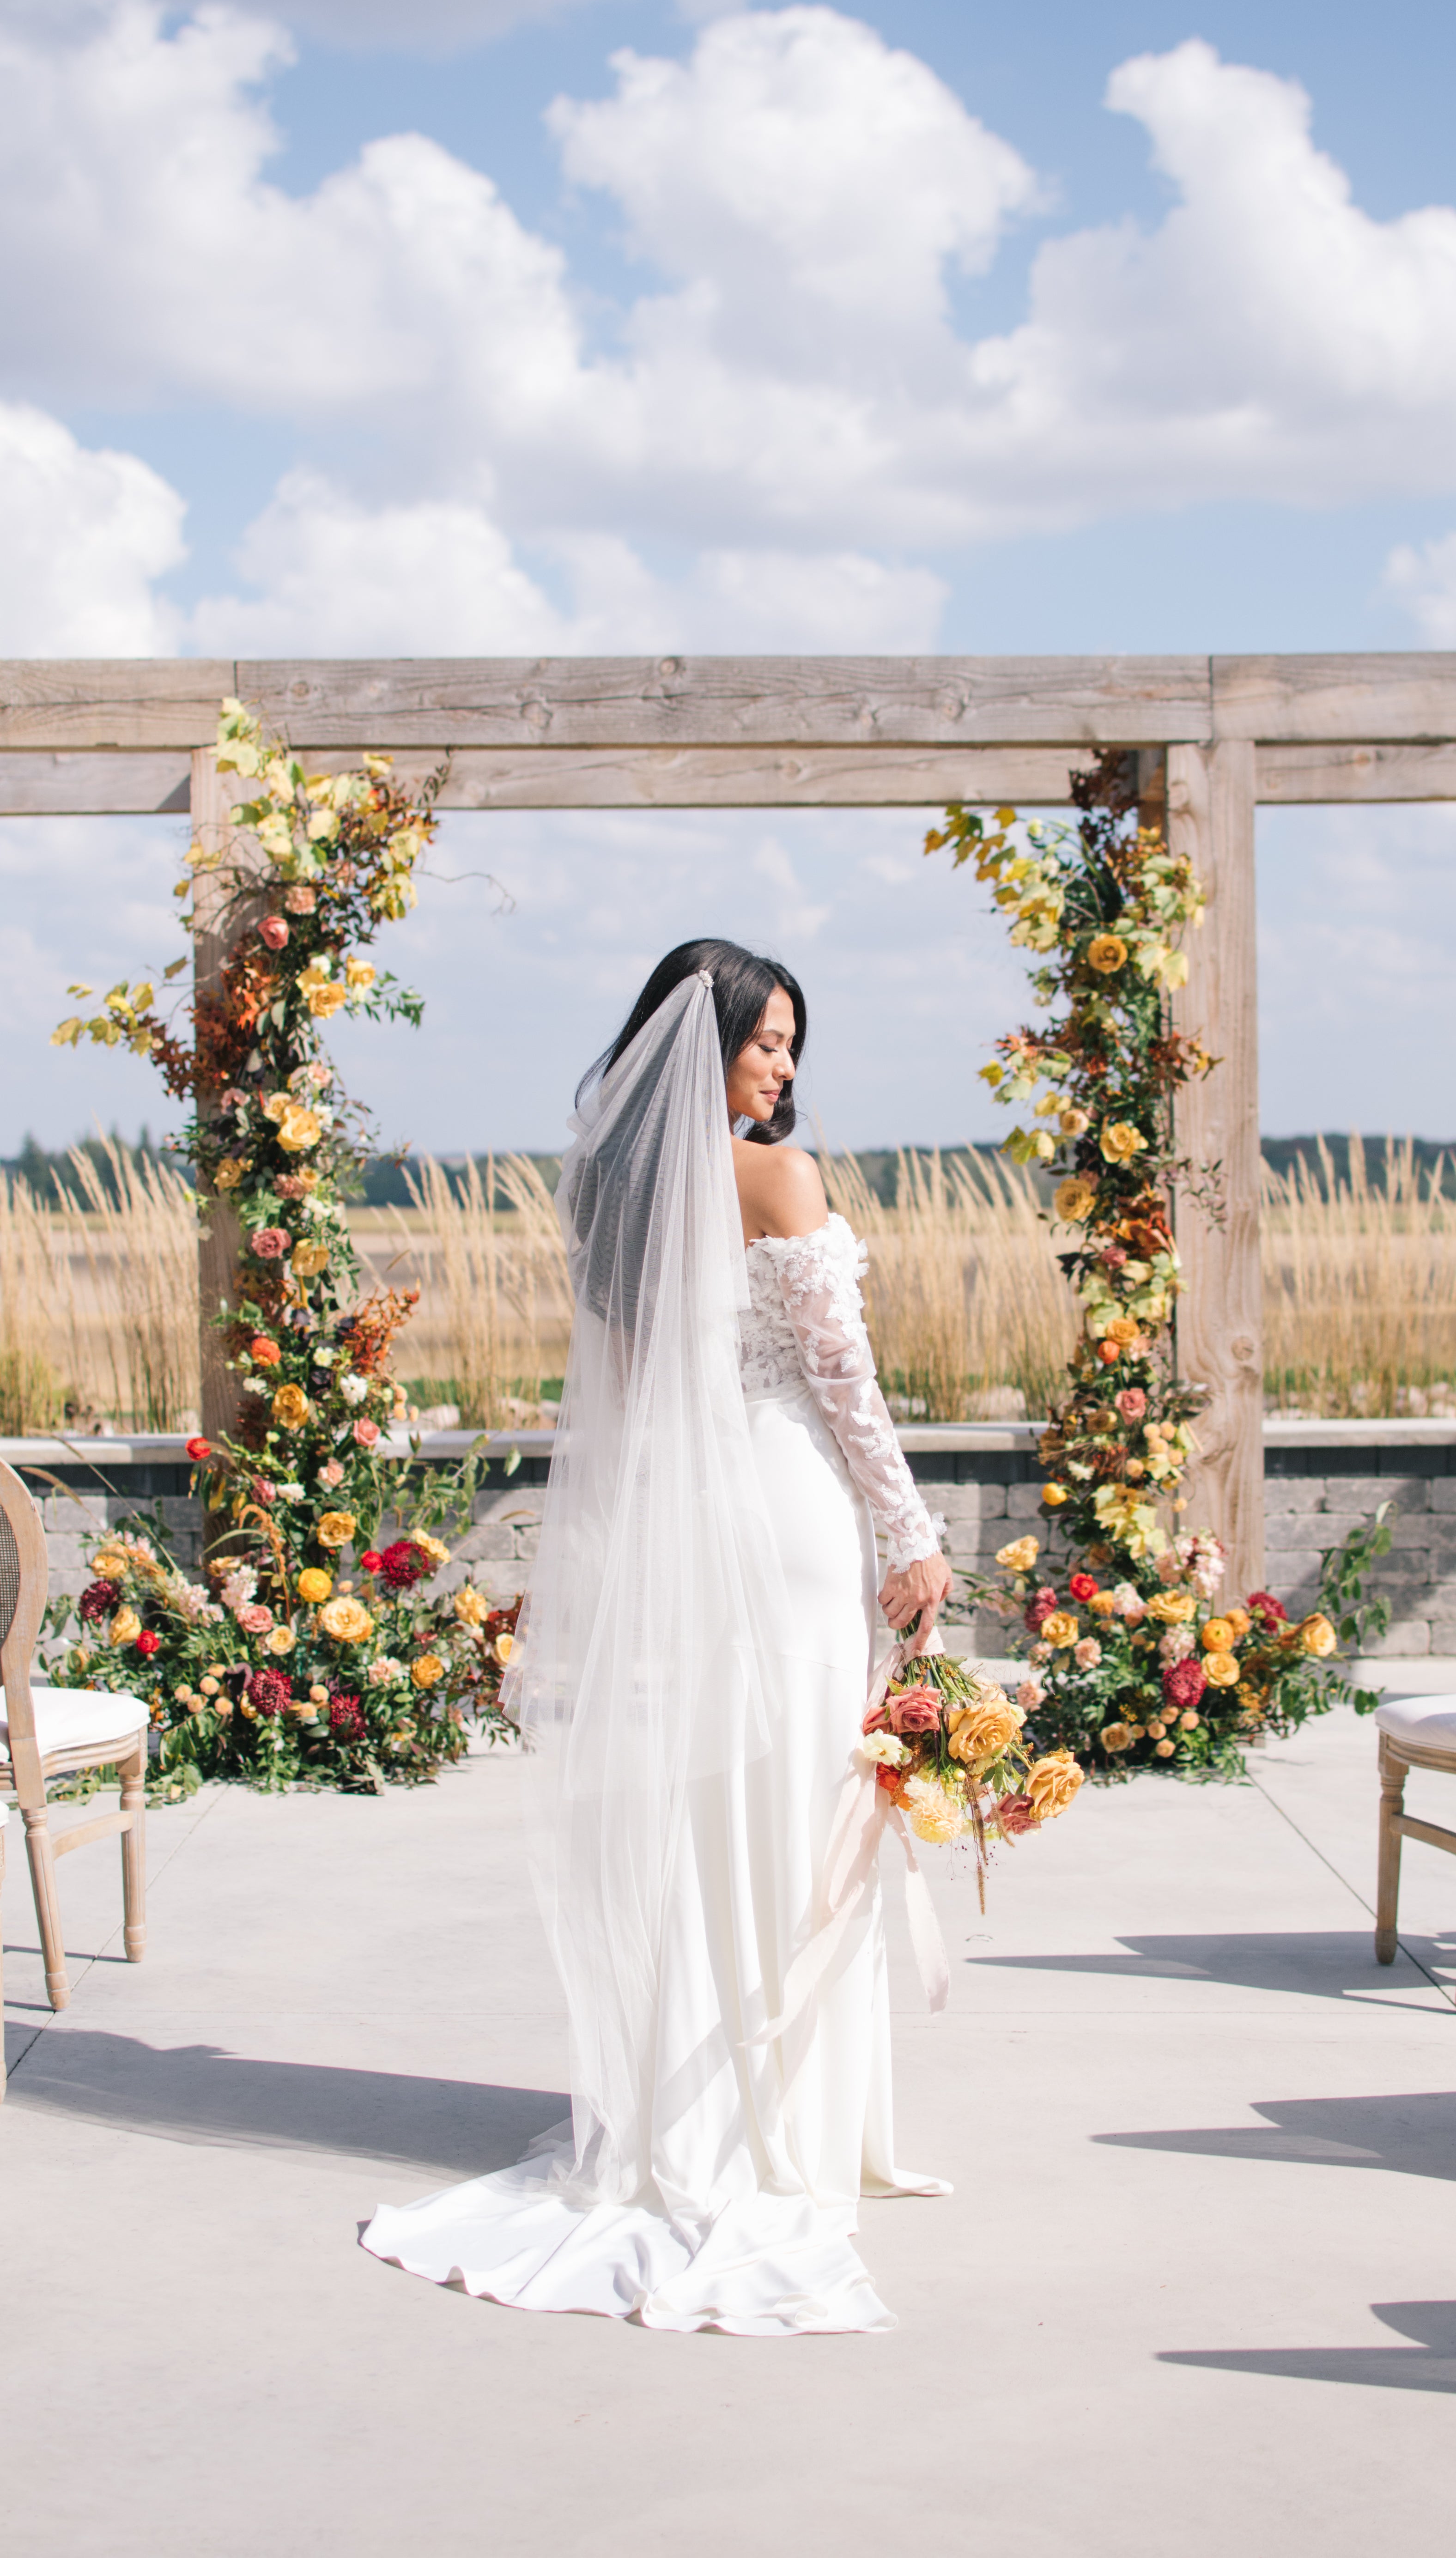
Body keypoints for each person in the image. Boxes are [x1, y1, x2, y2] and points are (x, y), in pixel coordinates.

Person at [362, 941, 953, 2334]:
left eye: (794, 1045)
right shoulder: (779, 1179)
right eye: (767, 1043)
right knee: (803, 1809)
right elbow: (846, 1385)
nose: (786, 1069)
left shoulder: (615, 1196)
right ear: (711, 1045)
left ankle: (719, 2117)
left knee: (723, 1813)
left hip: (701, 1527)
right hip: (797, 1516)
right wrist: (912, 1535)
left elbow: (631, 1397)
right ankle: (787, 2142)